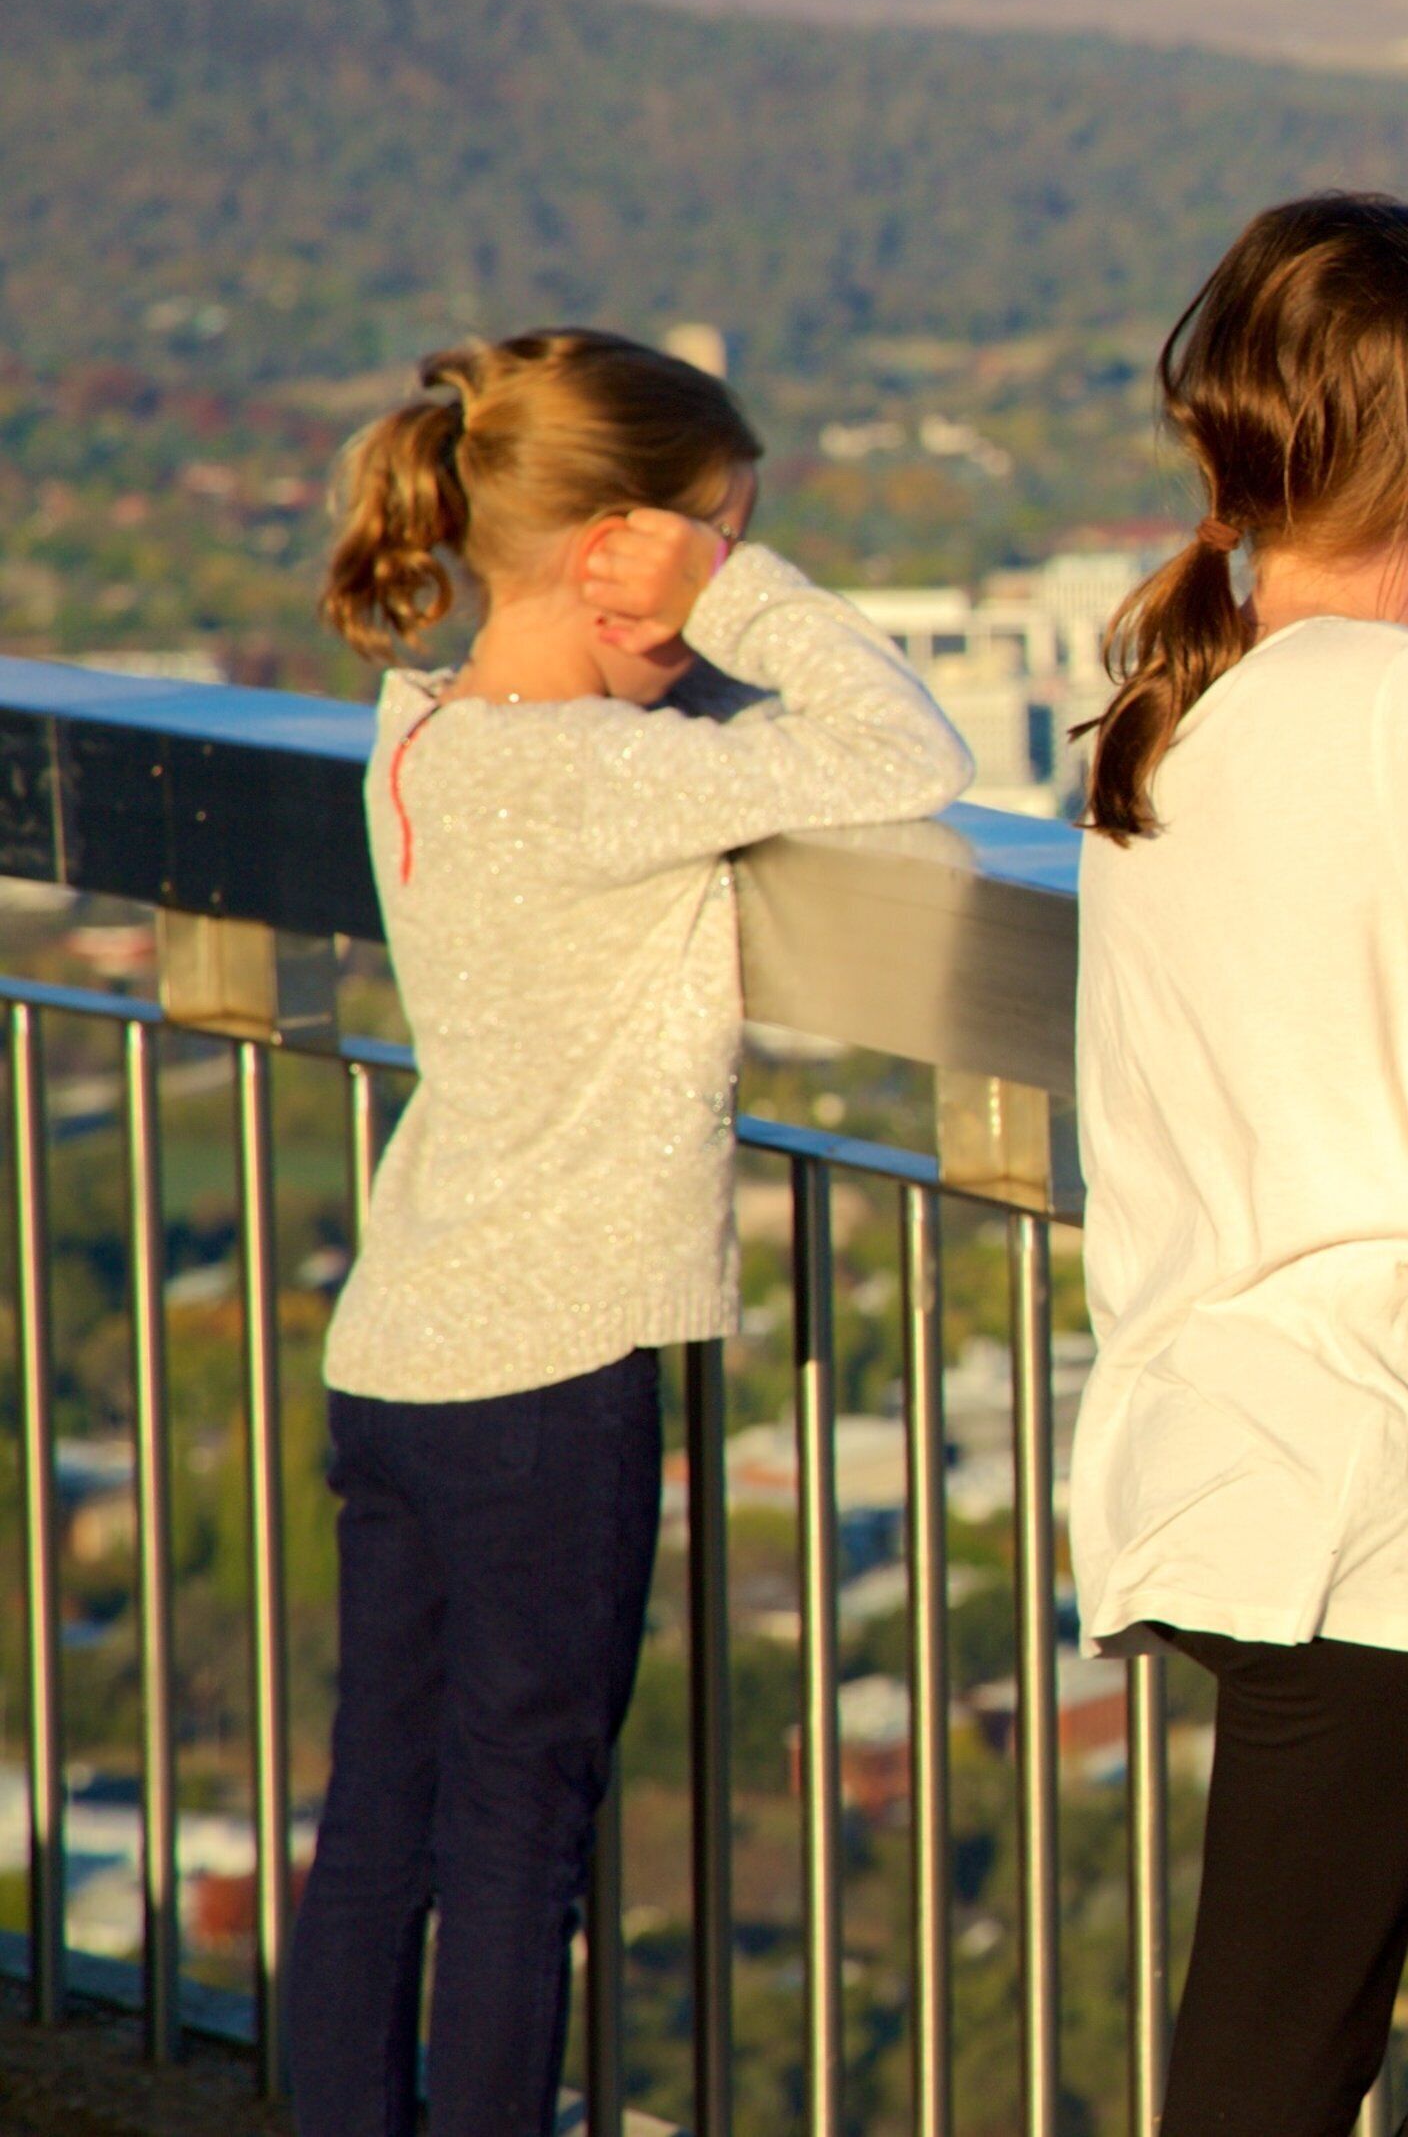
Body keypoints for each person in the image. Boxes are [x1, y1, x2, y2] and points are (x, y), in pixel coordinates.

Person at [300, 327, 971, 2135]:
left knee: (383, 1819)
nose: (704, 594)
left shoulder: (429, 741)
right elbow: (905, 749)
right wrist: (741, 590)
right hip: (552, 1376)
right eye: (699, 542)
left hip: (401, 1354)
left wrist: (683, 588)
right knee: (523, 1842)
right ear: (614, 545)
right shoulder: (602, 780)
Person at [1064, 195, 1408, 2136]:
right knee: (1281, 2067)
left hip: (1263, 1455)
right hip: (1357, 1485)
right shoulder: (1396, 708)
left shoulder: (1194, 695)